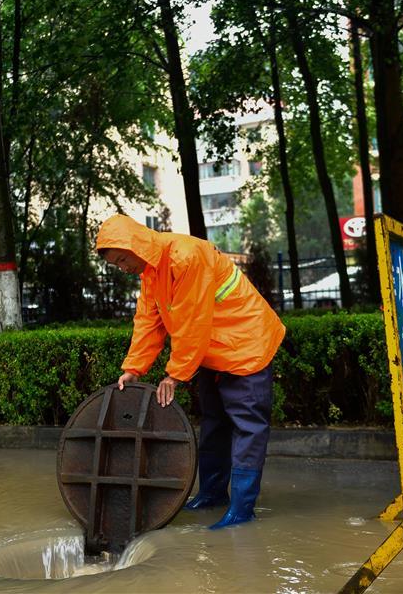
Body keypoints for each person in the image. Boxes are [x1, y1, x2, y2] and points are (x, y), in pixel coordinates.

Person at [96, 214, 285, 529]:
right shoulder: (151, 273)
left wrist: (175, 374)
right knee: (214, 424)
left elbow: (192, 322)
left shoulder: (185, 256)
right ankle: (212, 493)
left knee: (247, 428)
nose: (123, 268)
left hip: (246, 346)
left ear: (134, 244)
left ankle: (241, 508)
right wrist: (133, 368)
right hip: (213, 353)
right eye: (116, 265)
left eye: (122, 259)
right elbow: (148, 321)